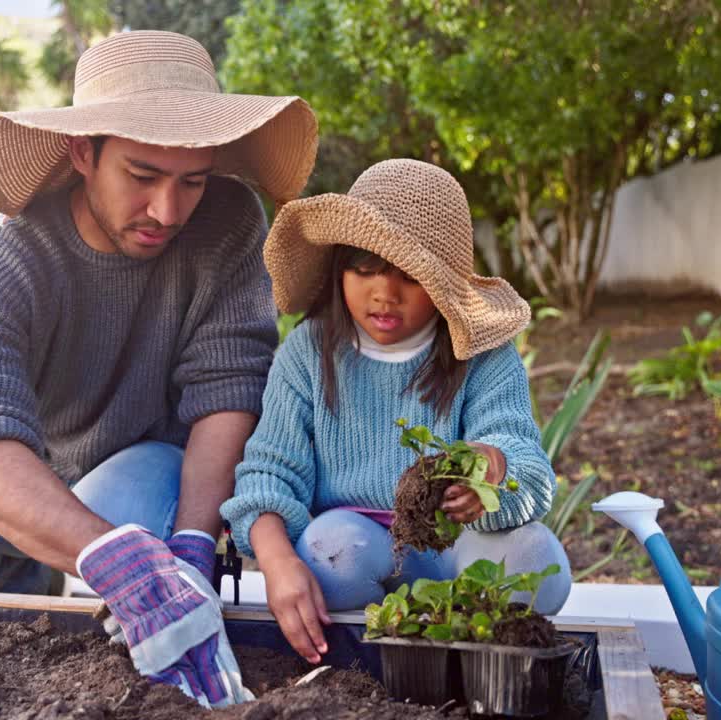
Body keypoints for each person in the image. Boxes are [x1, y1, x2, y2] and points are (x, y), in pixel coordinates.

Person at [0, 30, 317, 707]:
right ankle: (35, 587)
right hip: (29, 460)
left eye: (191, 180)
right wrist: (109, 558)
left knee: (114, 516)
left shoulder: (226, 223)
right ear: (82, 152)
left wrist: (192, 541)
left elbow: (231, 388)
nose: (168, 210)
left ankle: (92, 561)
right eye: (142, 176)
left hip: (151, 460)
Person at [220, 159, 571, 665]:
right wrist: (276, 564)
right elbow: (268, 474)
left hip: (460, 551)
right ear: (340, 264)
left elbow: (529, 468)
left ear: (445, 283)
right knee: (327, 549)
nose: (384, 292)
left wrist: (490, 470)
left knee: (537, 560)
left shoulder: (483, 356)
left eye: (410, 274)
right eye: (364, 267)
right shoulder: (308, 352)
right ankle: (364, 663)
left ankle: (469, 658)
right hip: (358, 557)